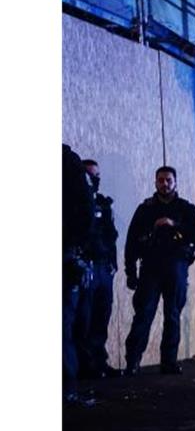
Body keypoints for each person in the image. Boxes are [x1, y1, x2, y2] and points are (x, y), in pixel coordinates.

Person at [123, 166, 195, 375]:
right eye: (160, 180)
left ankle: (168, 362)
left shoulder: (186, 209)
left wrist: (175, 226)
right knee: (143, 315)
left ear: (175, 182)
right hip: (150, 268)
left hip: (176, 268)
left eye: (168, 180)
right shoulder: (145, 209)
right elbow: (131, 242)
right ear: (155, 182)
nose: (164, 184)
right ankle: (132, 363)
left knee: (172, 316)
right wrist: (130, 271)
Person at [74, 159, 120, 378]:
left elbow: (111, 236)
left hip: (104, 267)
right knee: (84, 318)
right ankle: (85, 365)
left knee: (102, 316)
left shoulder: (103, 203)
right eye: (90, 175)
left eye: (97, 176)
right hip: (87, 266)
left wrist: (113, 264)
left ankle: (99, 362)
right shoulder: (73, 203)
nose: (94, 180)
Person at [63, 144, 96, 406]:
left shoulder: (67, 162)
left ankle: (67, 389)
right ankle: (67, 390)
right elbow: (85, 214)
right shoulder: (69, 162)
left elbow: (85, 215)